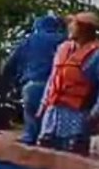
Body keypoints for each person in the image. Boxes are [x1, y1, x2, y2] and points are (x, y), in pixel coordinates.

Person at [36, 11, 99, 154]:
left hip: (77, 119)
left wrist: (94, 114)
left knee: (72, 156)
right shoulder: (63, 48)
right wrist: (43, 105)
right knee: (44, 155)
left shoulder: (96, 55)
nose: (69, 27)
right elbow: (53, 79)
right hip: (52, 118)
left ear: (85, 29)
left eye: (74, 24)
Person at [2, 13, 66, 145]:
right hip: (58, 90)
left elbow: (9, 65)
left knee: (31, 130)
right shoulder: (63, 41)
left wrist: (7, 81)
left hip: (32, 85)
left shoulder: (29, 41)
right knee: (53, 134)